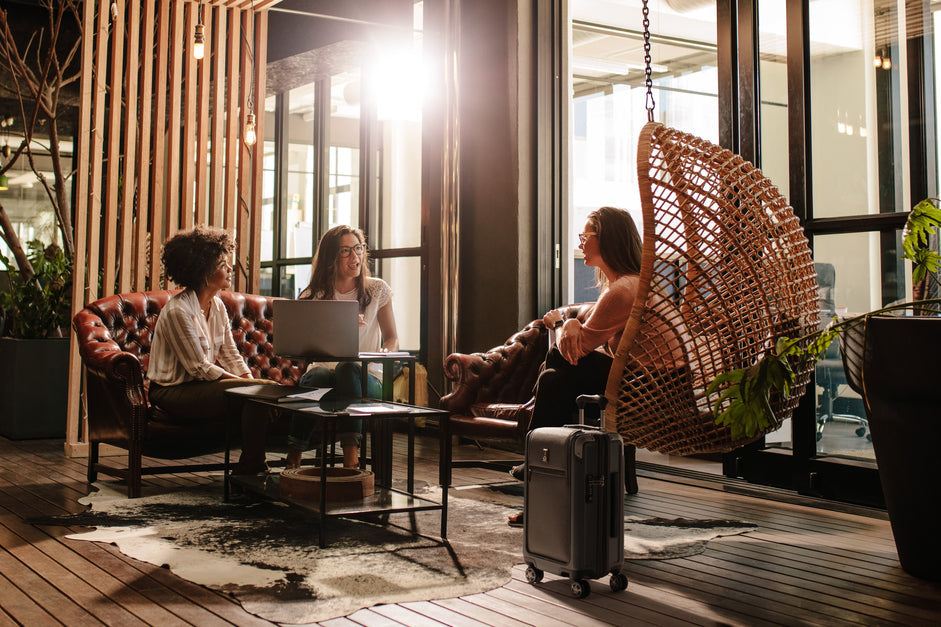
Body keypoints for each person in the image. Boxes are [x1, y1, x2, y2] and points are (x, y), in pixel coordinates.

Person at [507, 206, 685, 527]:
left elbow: (573, 351)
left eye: (585, 235)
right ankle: (536, 467)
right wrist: (574, 323)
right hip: (652, 382)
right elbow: (582, 338)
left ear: (607, 240)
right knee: (553, 379)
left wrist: (565, 322)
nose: (581, 242)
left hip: (651, 389)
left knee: (555, 372)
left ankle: (535, 460)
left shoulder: (621, 291)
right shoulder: (632, 284)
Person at [147, 225, 277, 476]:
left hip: (200, 388)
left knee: (258, 393)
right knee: (257, 392)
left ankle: (251, 468)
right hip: (171, 392)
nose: (230, 269)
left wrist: (252, 383)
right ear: (203, 273)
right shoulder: (178, 311)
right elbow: (198, 367)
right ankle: (252, 470)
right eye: (222, 264)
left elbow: (230, 353)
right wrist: (251, 387)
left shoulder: (216, 306)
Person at [286, 225, 399, 469]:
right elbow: (303, 346)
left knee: (348, 368)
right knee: (317, 373)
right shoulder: (313, 294)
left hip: (366, 376)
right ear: (330, 257)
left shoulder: (376, 289)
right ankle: (294, 454)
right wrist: (337, 326)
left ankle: (350, 457)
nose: (355, 257)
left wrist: (386, 351)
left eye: (358, 249)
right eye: (345, 251)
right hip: (324, 374)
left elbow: (392, 338)